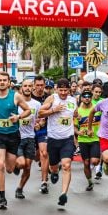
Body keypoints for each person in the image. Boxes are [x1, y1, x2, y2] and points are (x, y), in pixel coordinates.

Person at [0, 71, 30, 210]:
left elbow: (28, 110)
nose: (2, 82)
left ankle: (7, 163)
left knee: (9, 169)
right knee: (1, 165)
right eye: (0, 80)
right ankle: (2, 198)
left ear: (9, 82)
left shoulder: (15, 96)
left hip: (13, 135)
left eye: (5, 80)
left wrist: (18, 117)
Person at [39, 78, 77, 206]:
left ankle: (63, 194)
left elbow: (75, 115)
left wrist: (79, 119)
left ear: (69, 90)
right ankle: (54, 172)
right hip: (53, 139)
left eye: (66, 90)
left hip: (67, 138)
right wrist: (53, 110)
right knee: (53, 166)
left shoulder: (73, 100)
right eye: (61, 90)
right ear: (57, 89)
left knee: (67, 165)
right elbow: (40, 113)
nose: (63, 93)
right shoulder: (52, 99)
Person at [14, 79, 41, 199]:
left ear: (33, 88)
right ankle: (15, 165)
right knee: (21, 164)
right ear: (21, 88)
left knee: (28, 166)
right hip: (17, 137)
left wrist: (39, 124)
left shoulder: (37, 104)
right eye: (25, 86)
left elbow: (40, 118)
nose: (27, 88)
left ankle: (20, 188)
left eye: (30, 86)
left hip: (30, 137)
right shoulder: (15, 103)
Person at [74, 90, 101, 191]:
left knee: (94, 161)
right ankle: (90, 182)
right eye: (84, 96)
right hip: (83, 140)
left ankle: (100, 164)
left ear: (91, 97)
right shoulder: (78, 111)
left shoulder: (97, 109)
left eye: (89, 96)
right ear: (81, 98)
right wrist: (78, 132)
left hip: (95, 138)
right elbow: (75, 126)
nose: (87, 98)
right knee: (86, 163)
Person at [31, 75, 50, 194]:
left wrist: (44, 120)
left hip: (45, 129)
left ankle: (44, 182)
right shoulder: (28, 97)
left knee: (44, 153)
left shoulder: (49, 97)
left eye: (42, 85)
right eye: (37, 85)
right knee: (36, 156)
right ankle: (42, 163)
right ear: (34, 85)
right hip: (30, 129)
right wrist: (34, 123)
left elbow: (52, 113)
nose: (39, 87)